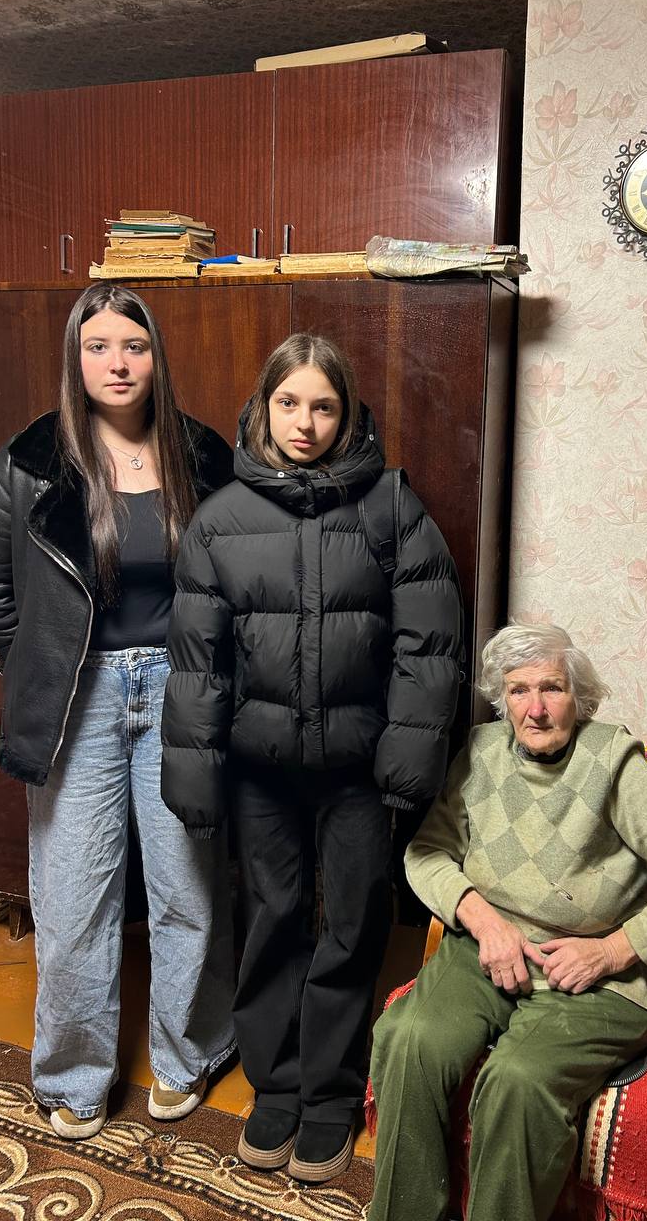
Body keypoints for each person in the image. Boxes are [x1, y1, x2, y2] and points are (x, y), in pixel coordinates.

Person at [160, 331, 462, 1183]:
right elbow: (197, 663)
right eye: (288, 403)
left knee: (354, 925)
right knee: (271, 921)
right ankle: (278, 1087)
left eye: (324, 406)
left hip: (357, 772)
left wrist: (407, 762)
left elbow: (430, 645)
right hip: (260, 773)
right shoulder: (220, 519)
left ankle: (330, 1095)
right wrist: (194, 774)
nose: (305, 422)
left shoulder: (392, 508)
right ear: (262, 408)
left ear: (348, 414)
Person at [0, 283, 236, 1141]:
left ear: (156, 357)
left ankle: (188, 1055)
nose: (117, 363)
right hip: (78, 697)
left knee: (187, 887)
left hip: (180, 691)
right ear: (75, 359)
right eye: (98, 346)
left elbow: (238, 573)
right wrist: (31, 668)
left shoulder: (203, 454)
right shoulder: (31, 459)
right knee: (74, 895)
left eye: (134, 346)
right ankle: (74, 1076)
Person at [368, 622, 647, 1221]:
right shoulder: (481, 751)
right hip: (489, 949)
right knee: (408, 1039)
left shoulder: (612, 761)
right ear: (502, 699)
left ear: (578, 696)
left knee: (518, 1080)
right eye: (518, 690)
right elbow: (426, 853)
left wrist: (611, 951)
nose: (534, 709)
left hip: (599, 977)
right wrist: (485, 923)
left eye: (552, 689)